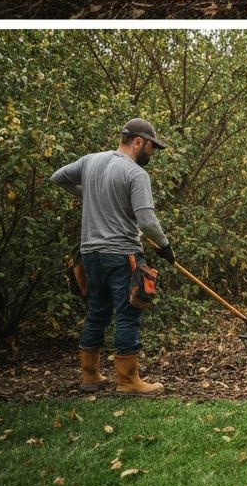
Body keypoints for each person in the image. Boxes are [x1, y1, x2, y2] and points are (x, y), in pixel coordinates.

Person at [51, 118, 175, 396]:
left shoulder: (90, 161)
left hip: (90, 254)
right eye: (152, 147)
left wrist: (90, 194)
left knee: (97, 313)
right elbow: (147, 221)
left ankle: (90, 376)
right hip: (122, 254)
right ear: (138, 142)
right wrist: (165, 246)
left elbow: (57, 177)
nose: (152, 154)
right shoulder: (135, 174)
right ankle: (128, 381)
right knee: (130, 312)